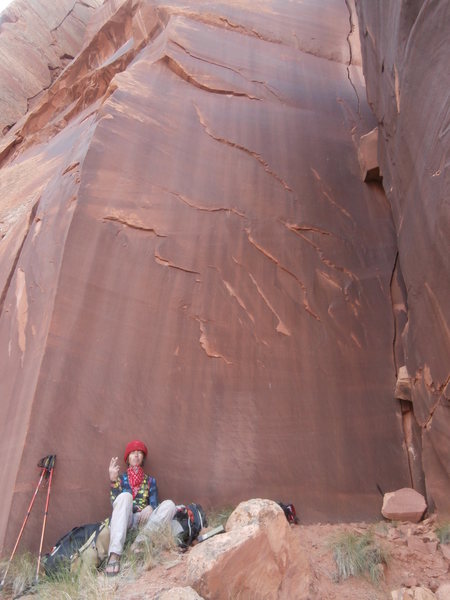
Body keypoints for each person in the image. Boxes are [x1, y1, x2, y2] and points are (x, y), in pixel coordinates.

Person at [105, 440, 179, 576]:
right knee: (125, 496)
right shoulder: (121, 479)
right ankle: (114, 554)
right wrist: (113, 481)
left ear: (143, 457)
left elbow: (155, 502)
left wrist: (151, 507)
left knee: (169, 505)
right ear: (128, 458)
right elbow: (115, 504)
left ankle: (138, 544)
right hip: (127, 520)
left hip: (146, 522)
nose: (136, 455)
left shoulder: (150, 480)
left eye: (139, 453)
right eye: (133, 453)